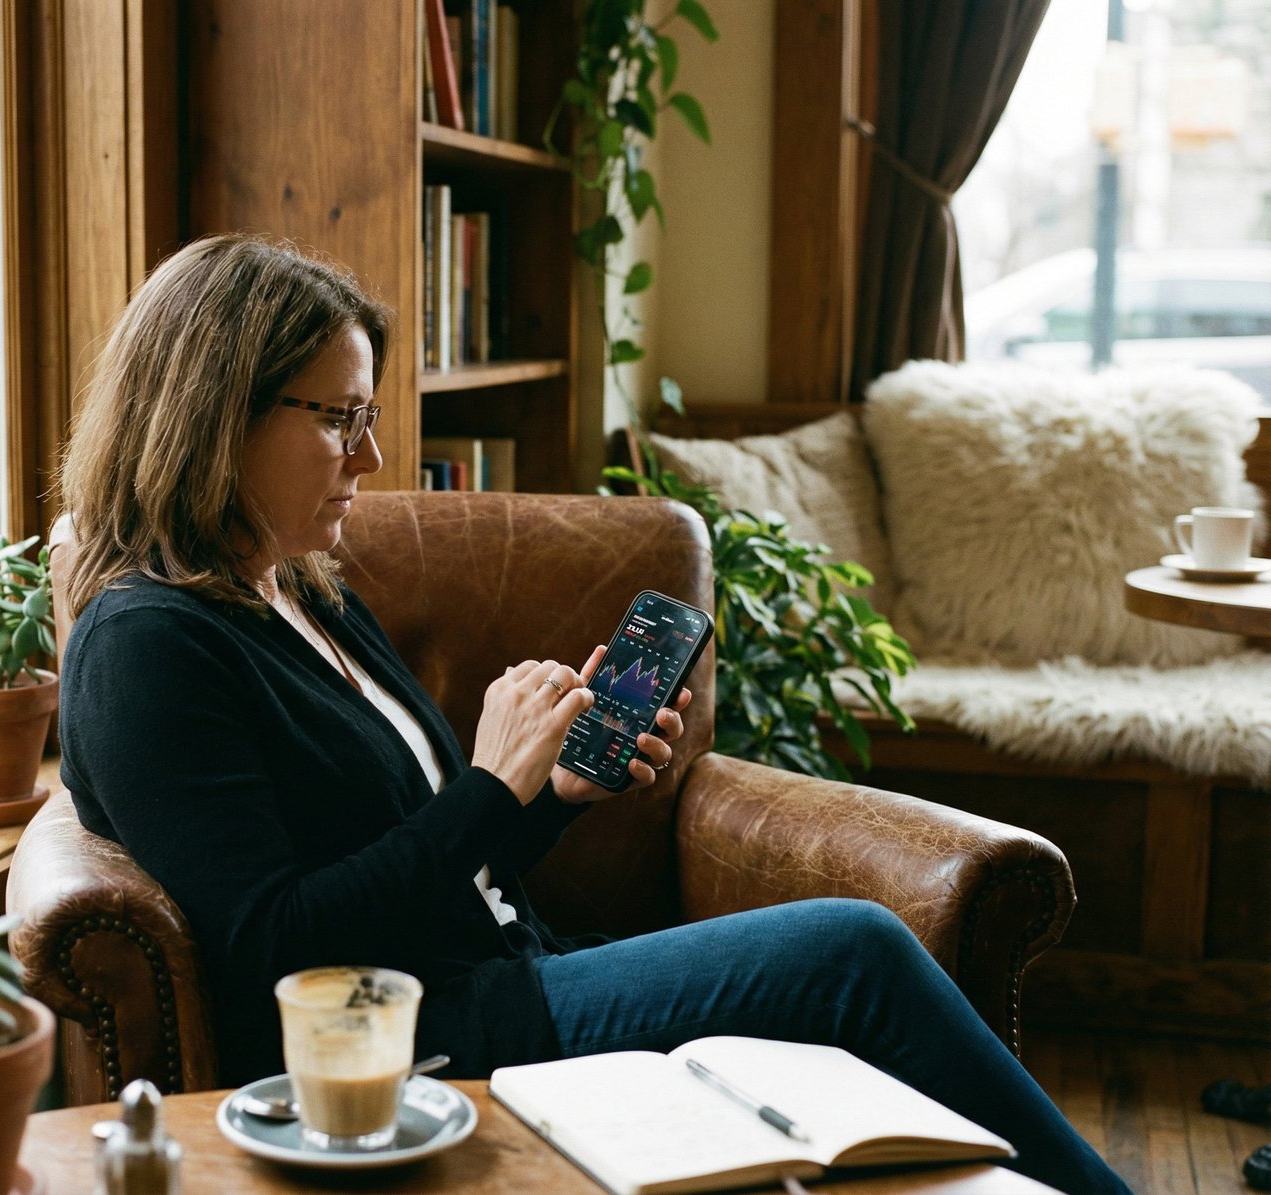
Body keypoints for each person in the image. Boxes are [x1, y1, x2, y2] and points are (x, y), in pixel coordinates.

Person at [56, 233, 1130, 1194]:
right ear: (213, 412)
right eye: (339, 419)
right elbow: (275, 947)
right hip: (415, 1039)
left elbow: (432, 858)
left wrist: (550, 793)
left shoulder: (299, 588)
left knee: (846, 1002)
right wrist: (490, 785)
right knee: (849, 950)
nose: (370, 459)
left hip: (506, 969)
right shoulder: (150, 646)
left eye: (367, 418)